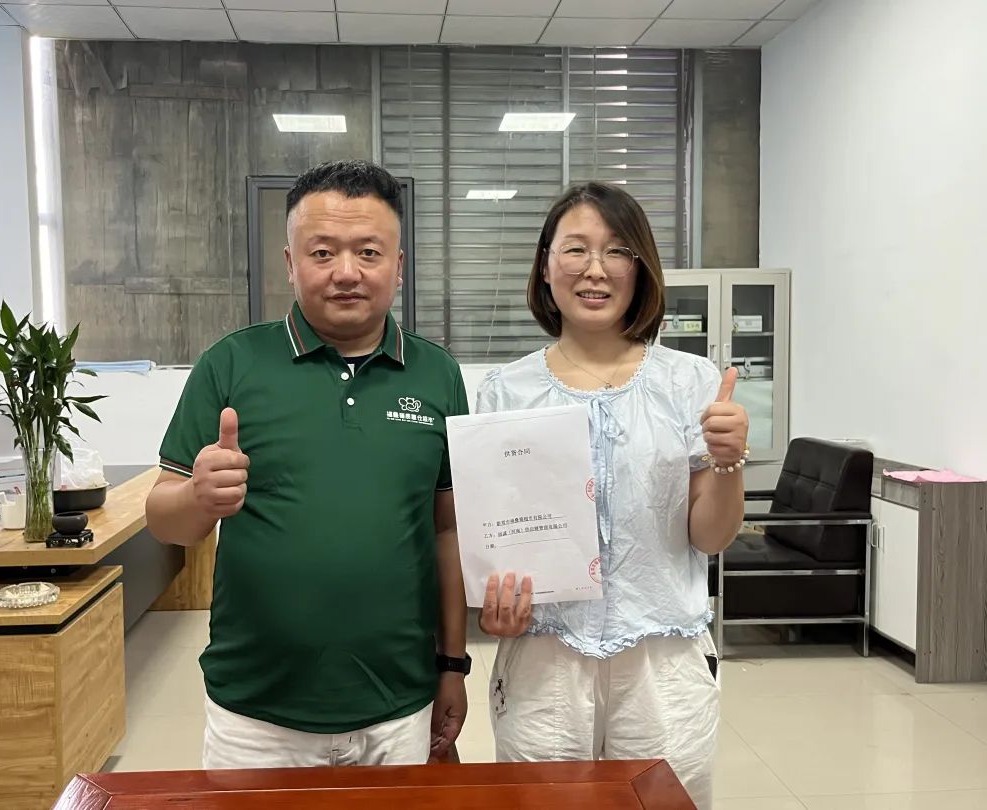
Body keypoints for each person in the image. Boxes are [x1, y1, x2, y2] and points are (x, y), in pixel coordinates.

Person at [145, 160, 471, 769]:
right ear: (290, 263)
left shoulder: (438, 375)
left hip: (399, 704)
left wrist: (453, 665)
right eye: (322, 252)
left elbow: (447, 530)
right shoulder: (232, 363)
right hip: (256, 712)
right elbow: (165, 522)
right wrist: (198, 499)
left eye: (368, 252)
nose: (346, 272)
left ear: (399, 265)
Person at [474, 182, 748, 809]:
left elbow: (709, 537)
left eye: (618, 251)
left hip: (662, 661)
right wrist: (493, 609)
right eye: (576, 249)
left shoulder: (690, 381)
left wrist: (728, 462)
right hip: (543, 656)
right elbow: (496, 541)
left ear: (641, 268)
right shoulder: (506, 391)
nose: (595, 269)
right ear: (546, 267)